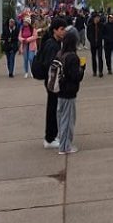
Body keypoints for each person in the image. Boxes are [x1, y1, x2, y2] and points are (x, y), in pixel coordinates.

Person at [56, 27, 85, 155]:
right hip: (69, 92)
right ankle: (65, 146)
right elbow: (76, 77)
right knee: (68, 120)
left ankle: (63, 143)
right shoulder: (72, 57)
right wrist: (82, 68)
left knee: (61, 118)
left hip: (60, 90)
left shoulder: (60, 54)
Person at [42, 17, 67, 149]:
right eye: (62, 29)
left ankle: (52, 135)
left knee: (54, 108)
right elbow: (49, 64)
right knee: (52, 109)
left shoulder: (56, 43)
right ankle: (49, 138)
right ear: (55, 30)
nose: (64, 32)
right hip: (52, 82)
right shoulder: (52, 45)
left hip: (53, 81)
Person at [86, 12, 104, 78]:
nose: (97, 19)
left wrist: (101, 38)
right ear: (93, 18)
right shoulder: (90, 26)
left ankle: (100, 71)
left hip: (99, 43)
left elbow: (103, 33)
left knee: (100, 57)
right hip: (93, 44)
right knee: (93, 58)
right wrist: (91, 40)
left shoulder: (101, 25)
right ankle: (94, 71)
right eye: (96, 18)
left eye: (98, 18)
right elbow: (88, 35)